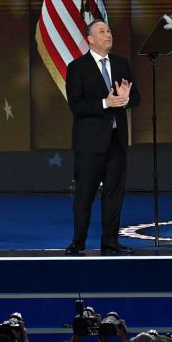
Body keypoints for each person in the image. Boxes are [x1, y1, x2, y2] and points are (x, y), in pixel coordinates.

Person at [65, 19, 140, 256]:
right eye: (101, 31)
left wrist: (126, 99)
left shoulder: (121, 64)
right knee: (85, 195)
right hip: (89, 143)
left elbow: (135, 97)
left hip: (116, 141)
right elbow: (76, 105)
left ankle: (110, 242)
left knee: (114, 194)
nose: (108, 34)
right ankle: (78, 242)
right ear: (89, 39)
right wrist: (105, 103)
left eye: (109, 30)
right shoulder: (77, 67)